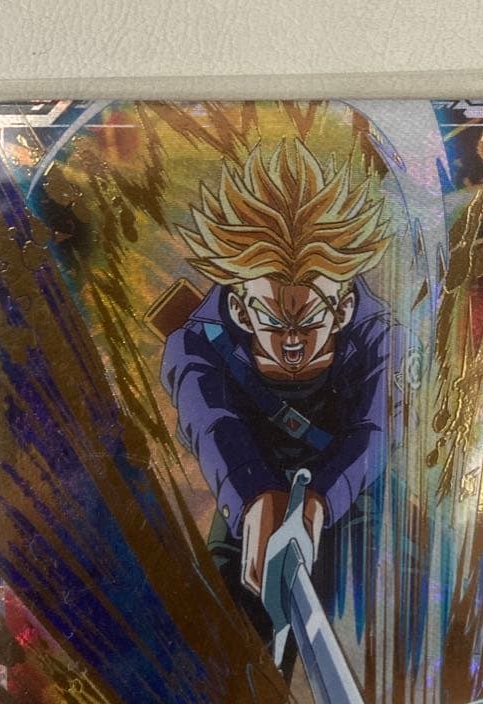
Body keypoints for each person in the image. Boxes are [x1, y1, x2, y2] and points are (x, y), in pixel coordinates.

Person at [161, 139, 397, 664]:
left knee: (391, 619)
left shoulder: (383, 342)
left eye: (308, 321)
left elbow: (376, 428)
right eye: (273, 321)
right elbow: (212, 422)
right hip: (253, 497)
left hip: (355, 494)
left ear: (343, 309)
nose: (292, 342)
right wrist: (252, 495)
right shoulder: (197, 343)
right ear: (241, 310)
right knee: (225, 636)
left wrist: (321, 501)